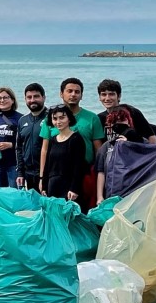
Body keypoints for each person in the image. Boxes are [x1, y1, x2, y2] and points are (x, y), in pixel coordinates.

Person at [39, 77, 105, 209]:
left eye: (77, 91)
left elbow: (99, 151)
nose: (73, 94)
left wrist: (99, 177)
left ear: (81, 95)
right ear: (61, 93)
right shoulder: (50, 119)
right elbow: (45, 150)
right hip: (55, 174)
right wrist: (42, 179)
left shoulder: (92, 118)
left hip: (82, 174)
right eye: (69, 91)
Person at [42, 105, 90, 203]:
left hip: (69, 187)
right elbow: (47, 165)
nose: (58, 121)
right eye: (55, 118)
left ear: (69, 119)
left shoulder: (76, 139)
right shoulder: (52, 139)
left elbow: (79, 166)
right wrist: (44, 186)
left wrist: (74, 188)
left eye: (62, 117)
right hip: (53, 185)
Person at [96, 79, 156, 144]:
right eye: (104, 94)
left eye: (111, 94)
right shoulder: (100, 118)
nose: (107, 98)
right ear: (99, 97)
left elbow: (151, 136)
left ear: (119, 96)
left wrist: (149, 152)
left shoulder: (132, 112)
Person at [14, 83, 47, 193]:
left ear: (44, 97)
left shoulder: (52, 118)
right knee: (33, 207)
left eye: (36, 96)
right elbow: (19, 148)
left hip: (47, 174)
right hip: (29, 174)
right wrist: (20, 173)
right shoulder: (22, 120)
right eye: (29, 97)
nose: (32, 100)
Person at [0, 87, 20, 189]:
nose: (2, 100)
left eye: (5, 97)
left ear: (12, 100)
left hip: (13, 163)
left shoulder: (20, 118)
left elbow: (25, 142)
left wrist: (11, 145)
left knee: (14, 193)